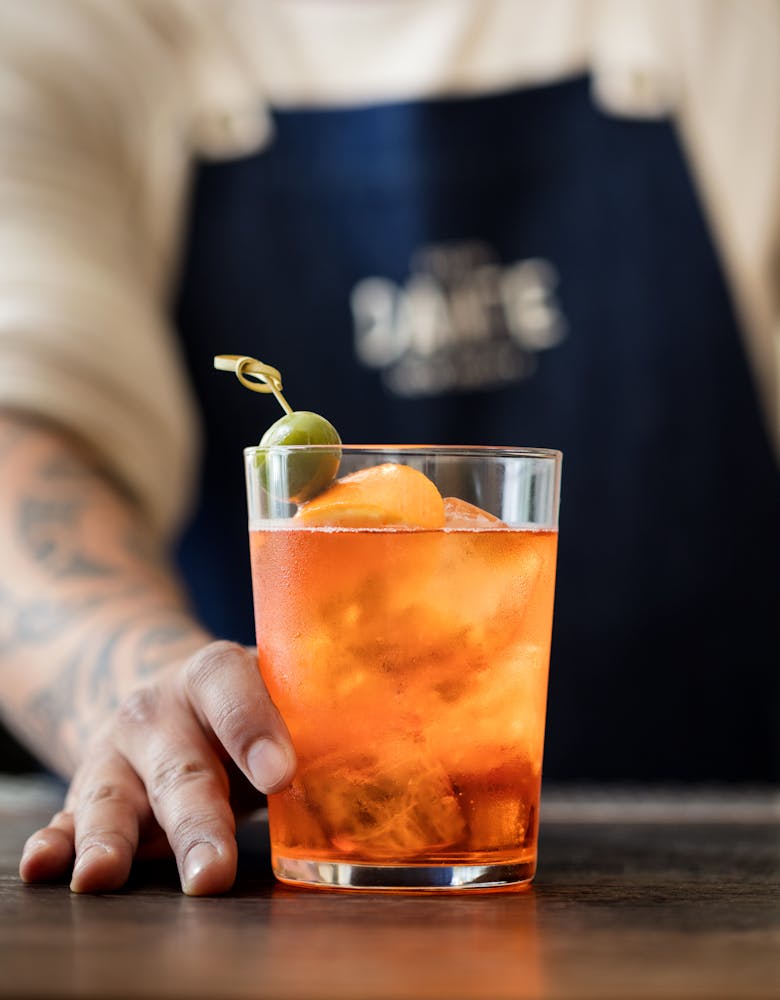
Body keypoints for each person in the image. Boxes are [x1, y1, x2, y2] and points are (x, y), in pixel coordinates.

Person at [0, 0, 778, 895]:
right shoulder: (72, 24)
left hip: (712, 877)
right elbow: (20, 424)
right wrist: (152, 691)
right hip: (289, 853)